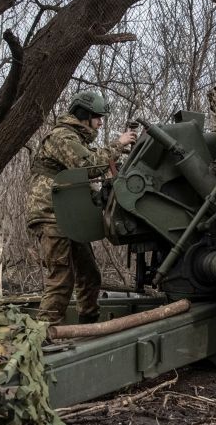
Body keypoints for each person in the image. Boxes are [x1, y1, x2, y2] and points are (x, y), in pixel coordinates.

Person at [26, 91, 137, 324]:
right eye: (97, 117)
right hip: (51, 215)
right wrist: (118, 144)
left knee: (89, 274)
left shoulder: (74, 140)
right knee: (61, 279)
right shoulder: (61, 137)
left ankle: (88, 327)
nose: (100, 122)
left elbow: (84, 170)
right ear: (85, 116)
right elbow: (87, 165)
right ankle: (42, 338)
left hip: (67, 215)